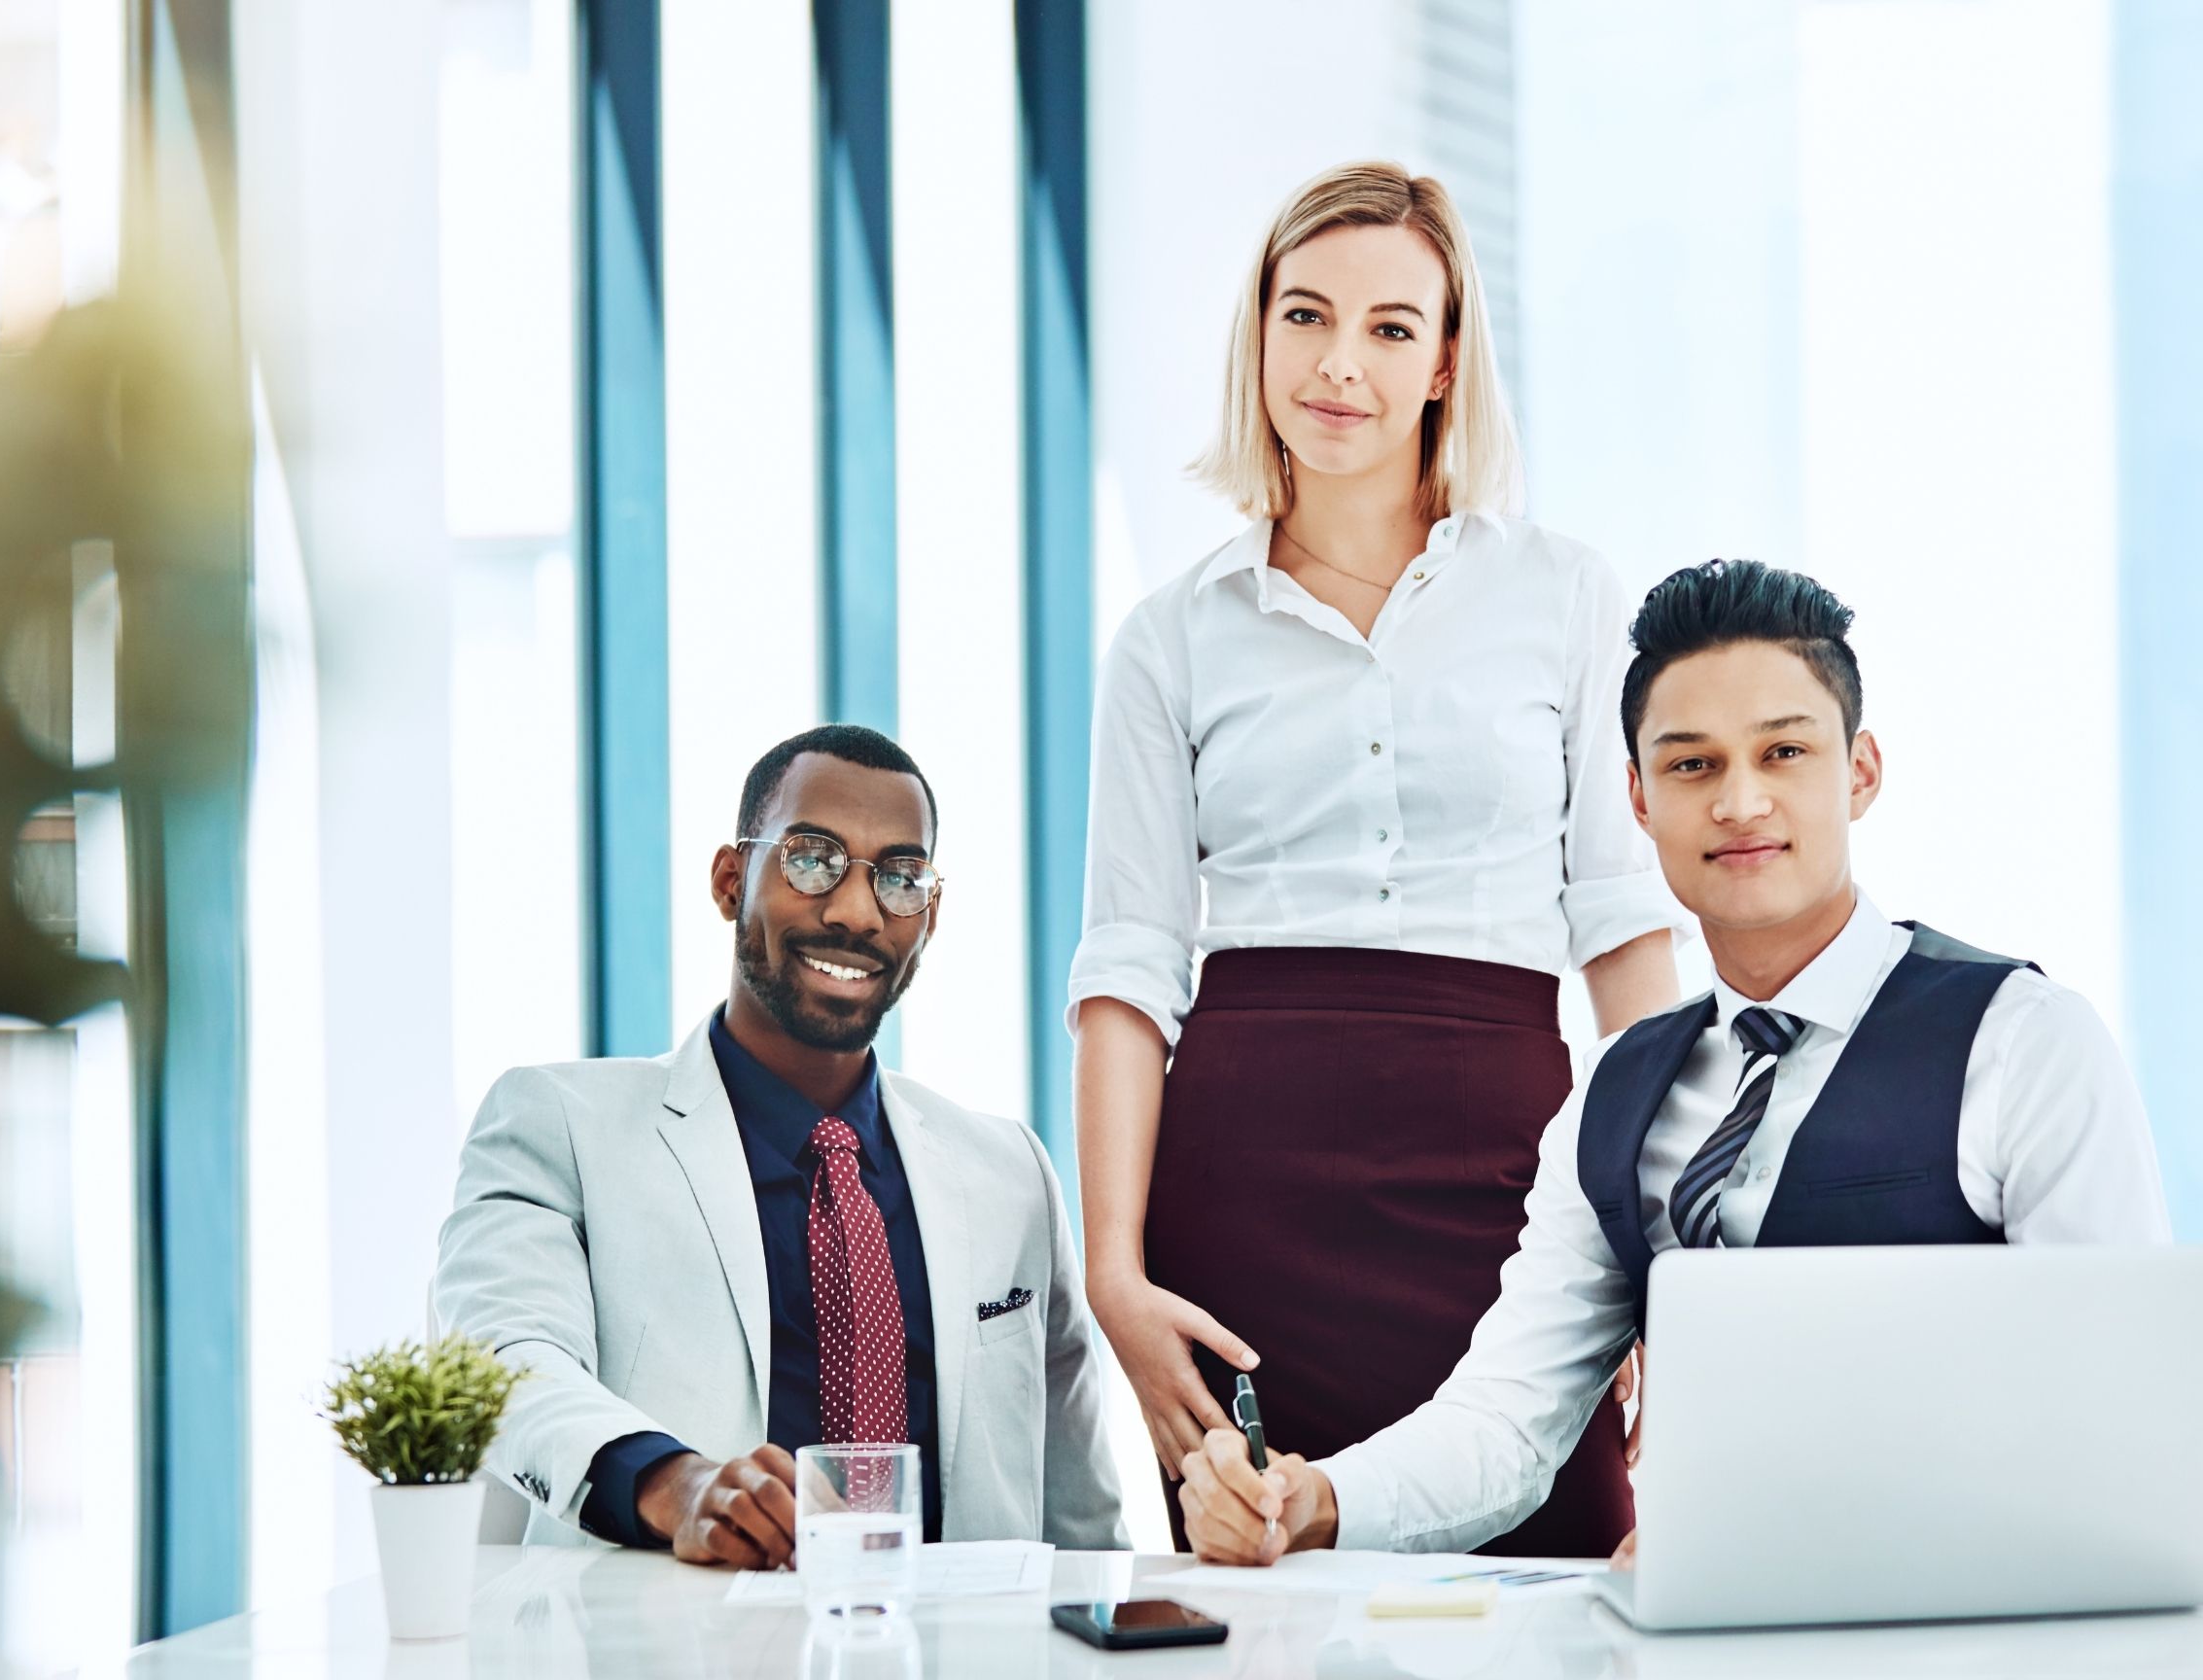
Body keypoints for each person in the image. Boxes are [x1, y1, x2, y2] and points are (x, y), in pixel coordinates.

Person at [1173, 561, 2172, 1564]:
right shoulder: (1615, 1092)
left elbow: (2127, 1412)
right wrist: (1316, 1500)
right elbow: (1507, 1422)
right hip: (1698, 1636)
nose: (1740, 802)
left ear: (1860, 772)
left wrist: (1792, 1544)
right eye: (1692, 765)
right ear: (1639, 799)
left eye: (1784, 752)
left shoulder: (2025, 1041)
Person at [1072, 160, 1683, 1558]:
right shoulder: (1169, 640)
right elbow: (1127, 968)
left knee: (1565, 1577)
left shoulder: (1568, 597)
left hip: (1513, 1173)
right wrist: (1114, 1271)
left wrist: (1659, 1257)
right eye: (1306, 316)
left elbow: (1626, 942)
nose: (1339, 364)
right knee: (1269, 1593)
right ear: (1260, 336)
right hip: (1249, 1182)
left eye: (1391, 327)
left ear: (1445, 360)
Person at [437, 724, 1126, 1564]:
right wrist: (675, 1484)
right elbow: (507, 1367)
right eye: (812, 859)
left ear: (930, 914)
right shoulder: (560, 1124)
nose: (855, 911)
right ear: (732, 881)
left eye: (900, 878)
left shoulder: (1010, 1172)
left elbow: (1083, 1527)